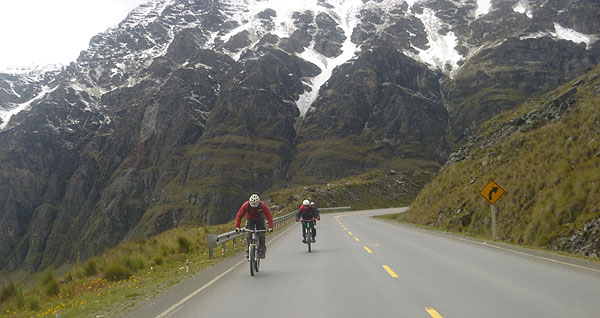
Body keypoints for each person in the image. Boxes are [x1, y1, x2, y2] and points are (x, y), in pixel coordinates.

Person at [235, 194, 274, 259]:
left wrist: (271, 227)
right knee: (248, 235)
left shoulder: (262, 205)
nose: (254, 208)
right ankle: (248, 251)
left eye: (255, 206)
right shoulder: (246, 205)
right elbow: (239, 215)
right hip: (250, 220)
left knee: (261, 235)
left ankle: (262, 251)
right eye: (253, 206)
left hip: (260, 219)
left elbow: (269, 215)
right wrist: (237, 226)